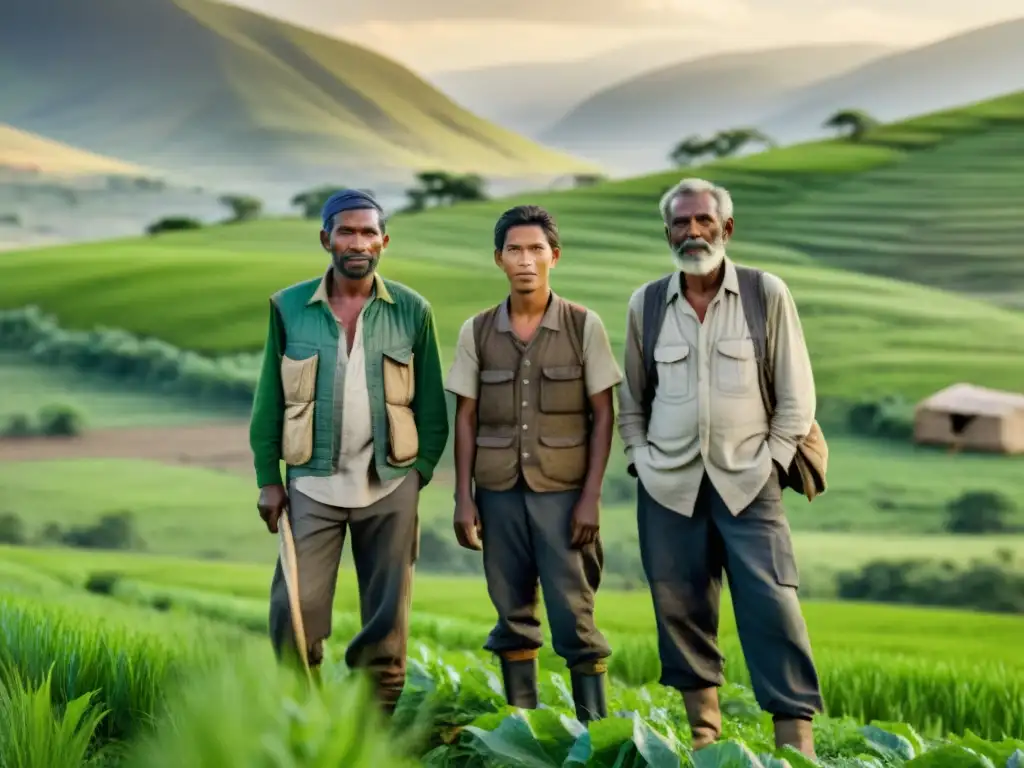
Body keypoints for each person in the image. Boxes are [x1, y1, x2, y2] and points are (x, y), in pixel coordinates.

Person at [616, 178, 825, 756]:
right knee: (679, 607)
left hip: (750, 481)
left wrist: (773, 460)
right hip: (669, 485)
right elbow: (631, 399)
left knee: (772, 604)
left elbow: (796, 395)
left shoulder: (765, 294)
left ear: (726, 228)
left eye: (703, 220)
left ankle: (795, 744)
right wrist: (641, 457)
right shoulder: (647, 303)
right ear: (667, 233)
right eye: (680, 223)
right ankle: (705, 738)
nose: (692, 232)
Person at [248, 188, 450, 715]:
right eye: (346, 231)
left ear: (384, 241)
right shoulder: (288, 307)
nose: (357, 242)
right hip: (312, 485)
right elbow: (269, 396)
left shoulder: (412, 310)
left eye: (368, 232)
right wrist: (269, 478)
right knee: (292, 610)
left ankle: (371, 727)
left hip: (390, 484)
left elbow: (432, 404)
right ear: (325, 239)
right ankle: (303, 716)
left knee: (387, 623)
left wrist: (418, 475)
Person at [444, 205, 621, 723]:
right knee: (511, 614)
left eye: (536, 249)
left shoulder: (584, 324)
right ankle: (522, 732)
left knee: (575, 618)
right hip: (498, 493)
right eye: (514, 250)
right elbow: (466, 418)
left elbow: (604, 416)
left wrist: (591, 496)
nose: (526, 260)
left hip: (565, 496)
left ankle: (595, 734)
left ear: (555, 256)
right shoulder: (476, 331)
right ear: (498, 259)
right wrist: (463, 497)